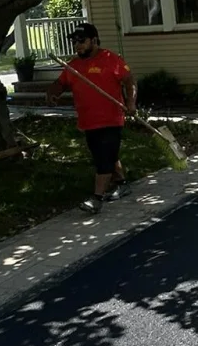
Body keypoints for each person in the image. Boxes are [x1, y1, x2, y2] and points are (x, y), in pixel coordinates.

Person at [45, 24, 136, 212]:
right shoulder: (74, 66)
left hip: (111, 119)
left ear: (94, 40)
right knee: (105, 156)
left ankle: (96, 199)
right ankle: (122, 183)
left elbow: (130, 81)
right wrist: (53, 93)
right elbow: (60, 83)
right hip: (88, 121)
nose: (77, 45)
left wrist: (131, 103)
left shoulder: (111, 60)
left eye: (82, 41)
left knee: (104, 159)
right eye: (75, 41)